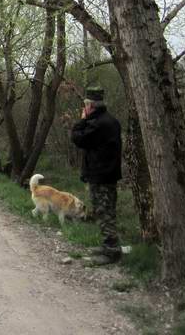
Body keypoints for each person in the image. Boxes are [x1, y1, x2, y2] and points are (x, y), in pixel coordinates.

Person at [71, 86, 123, 265]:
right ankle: (107, 246)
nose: (84, 108)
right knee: (103, 211)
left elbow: (78, 138)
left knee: (105, 212)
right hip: (104, 174)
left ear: (90, 105)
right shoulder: (109, 121)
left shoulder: (99, 124)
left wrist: (81, 120)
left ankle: (111, 252)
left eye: (85, 105)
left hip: (102, 176)